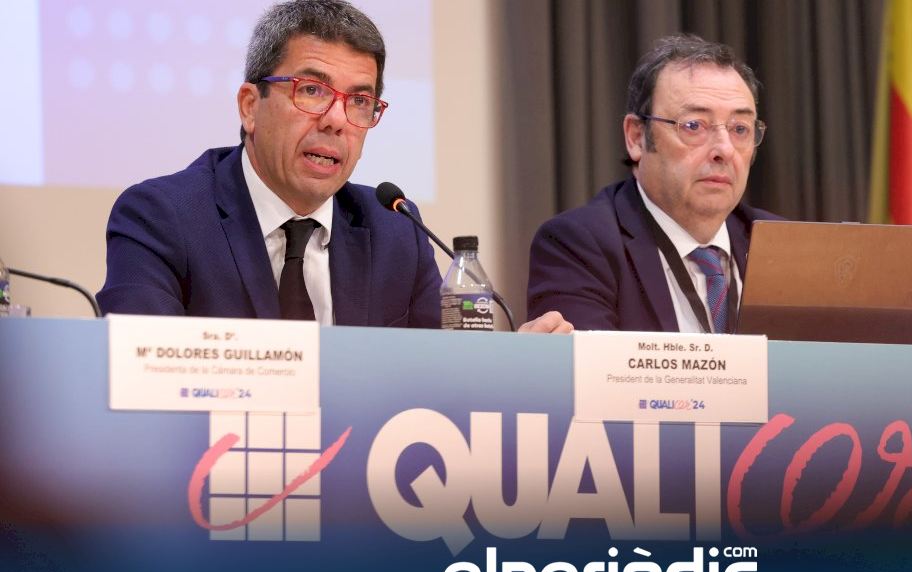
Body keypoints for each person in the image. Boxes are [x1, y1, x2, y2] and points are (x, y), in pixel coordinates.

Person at [97, 0, 569, 334]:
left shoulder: (394, 231)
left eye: (359, 101)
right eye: (312, 91)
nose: (336, 120)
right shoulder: (162, 217)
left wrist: (507, 368)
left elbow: (438, 379)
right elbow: (139, 369)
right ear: (250, 106)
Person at [526, 34, 783, 332]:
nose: (724, 150)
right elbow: (592, 362)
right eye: (694, 126)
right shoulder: (578, 246)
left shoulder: (783, 247)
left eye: (740, 129)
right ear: (637, 137)